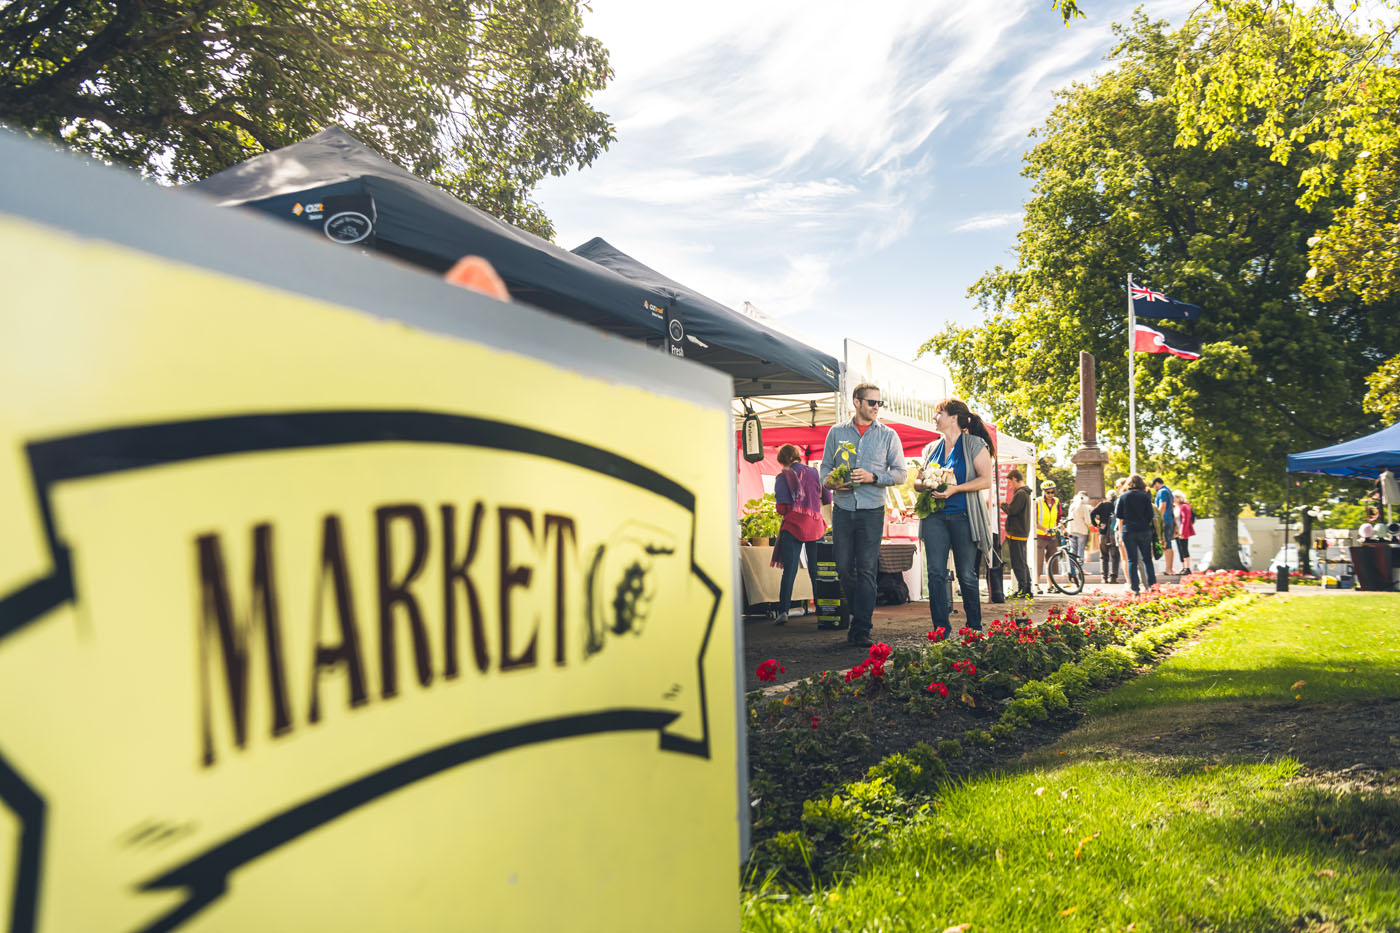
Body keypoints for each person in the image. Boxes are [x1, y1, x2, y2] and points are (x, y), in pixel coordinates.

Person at [820, 383, 907, 648]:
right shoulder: (836, 432)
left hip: (872, 510)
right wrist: (831, 483)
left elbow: (901, 473)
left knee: (867, 569)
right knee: (844, 567)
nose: (876, 408)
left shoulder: (888, 435)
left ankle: (861, 628)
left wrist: (873, 477)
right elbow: (824, 468)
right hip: (844, 509)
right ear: (857, 402)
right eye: (872, 403)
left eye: (880, 403)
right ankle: (860, 616)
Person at [916, 398, 996, 632]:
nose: (934, 418)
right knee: (935, 574)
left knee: (966, 575)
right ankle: (941, 629)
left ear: (953, 418)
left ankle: (974, 629)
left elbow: (985, 480)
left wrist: (955, 488)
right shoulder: (931, 449)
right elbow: (918, 481)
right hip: (934, 518)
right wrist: (926, 484)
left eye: (938, 413)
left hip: (964, 516)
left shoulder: (974, 444)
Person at [771, 444, 832, 624]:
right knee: (817, 571)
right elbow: (827, 499)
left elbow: (782, 508)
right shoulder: (816, 473)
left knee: (789, 571)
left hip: (793, 526)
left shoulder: (782, 477)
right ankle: (822, 609)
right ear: (798, 456)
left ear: (782, 461)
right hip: (815, 526)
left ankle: (783, 612)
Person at [1116, 474, 1158, 593]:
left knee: (1132, 560)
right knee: (1147, 559)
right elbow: (1150, 515)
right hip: (1144, 530)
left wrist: (1120, 534)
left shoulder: (1123, 497)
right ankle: (1152, 586)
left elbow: (1120, 517)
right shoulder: (1145, 496)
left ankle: (1135, 588)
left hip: (1128, 531)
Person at [1000, 469, 1033, 597]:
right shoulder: (1025, 493)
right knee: (1022, 561)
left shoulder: (1020, 494)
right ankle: (1027, 589)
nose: (1010, 485)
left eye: (1010, 482)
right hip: (1021, 532)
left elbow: (1012, 510)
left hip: (1017, 532)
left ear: (1014, 478)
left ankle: (1022, 590)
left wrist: (1003, 505)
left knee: (1018, 562)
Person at [1034, 480, 1062, 593]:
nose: (1050, 494)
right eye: (1048, 492)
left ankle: (1051, 586)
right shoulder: (1038, 502)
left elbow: (1058, 518)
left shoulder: (1057, 502)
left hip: (1052, 536)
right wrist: (1044, 529)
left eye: (1052, 492)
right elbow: (1034, 521)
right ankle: (1036, 585)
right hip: (1040, 536)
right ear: (1043, 492)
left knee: (1052, 562)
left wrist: (1064, 530)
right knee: (1038, 563)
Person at [1091, 490, 1120, 583]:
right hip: (1115, 534)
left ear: (1108, 497)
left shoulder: (1102, 505)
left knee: (1104, 556)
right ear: (1116, 497)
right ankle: (1113, 577)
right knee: (1115, 556)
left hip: (1103, 533)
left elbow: (1092, 513)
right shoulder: (1118, 505)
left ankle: (1104, 577)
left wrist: (1096, 524)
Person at [1152, 477, 1177, 574]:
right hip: (1169, 520)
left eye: (1154, 486)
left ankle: (1168, 569)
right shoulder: (1169, 491)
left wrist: (1158, 520)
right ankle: (1169, 568)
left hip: (1164, 521)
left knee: (1166, 545)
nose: (1155, 488)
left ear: (1157, 483)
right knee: (1168, 545)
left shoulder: (1162, 491)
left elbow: (1162, 506)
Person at [1173, 490, 1195, 573]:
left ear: (1179, 498)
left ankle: (1187, 567)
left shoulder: (1185, 506)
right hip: (1176, 532)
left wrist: (1183, 531)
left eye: (1175, 498)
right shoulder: (1176, 507)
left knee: (1184, 548)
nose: (1173, 499)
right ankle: (1183, 567)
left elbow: (1185, 520)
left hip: (1183, 531)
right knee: (1180, 549)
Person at [1066, 492, 1092, 561]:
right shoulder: (1084, 507)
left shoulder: (1072, 506)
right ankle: (1080, 568)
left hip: (1071, 530)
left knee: (1073, 549)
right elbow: (1088, 521)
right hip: (1082, 531)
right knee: (1080, 550)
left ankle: (1072, 568)